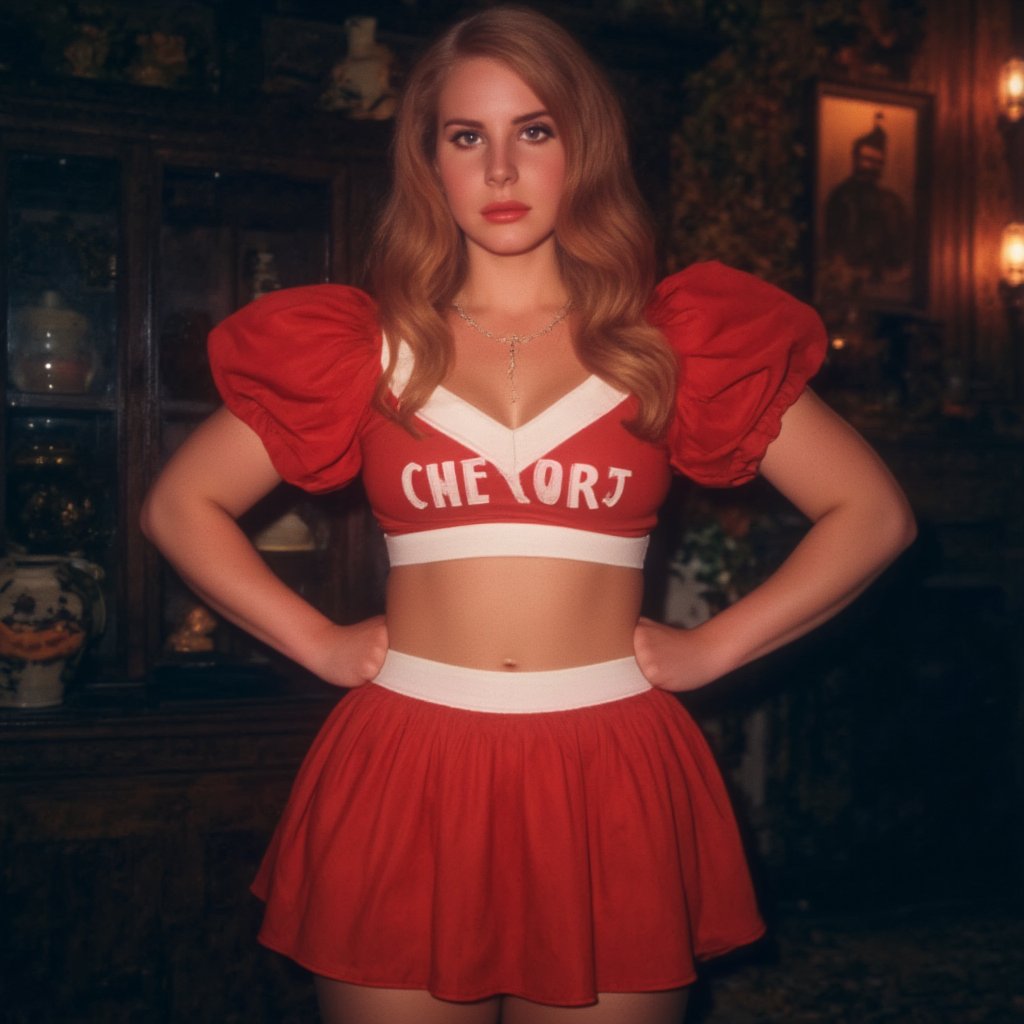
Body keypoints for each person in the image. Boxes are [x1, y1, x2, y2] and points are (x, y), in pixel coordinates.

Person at [140, 7, 916, 1023]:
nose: (500, 169)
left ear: (581, 147)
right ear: (431, 162)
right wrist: (320, 643)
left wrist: (712, 649)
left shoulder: (670, 343)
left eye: (533, 131)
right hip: (406, 764)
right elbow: (178, 503)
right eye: (468, 137)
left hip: (611, 770)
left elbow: (872, 513)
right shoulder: (362, 348)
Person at [823, 111, 913, 286]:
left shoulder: (893, 203)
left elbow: (901, 253)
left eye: (877, 162)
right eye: (866, 159)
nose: (870, 166)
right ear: (855, 159)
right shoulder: (840, 197)